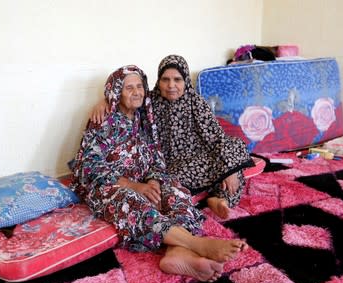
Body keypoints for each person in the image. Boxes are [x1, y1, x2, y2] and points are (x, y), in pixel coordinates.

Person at [69, 65, 247, 282]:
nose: (136, 92)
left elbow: (154, 156)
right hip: (110, 186)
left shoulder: (144, 116)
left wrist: (153, 179)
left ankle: (175, 254)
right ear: (116, 92)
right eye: (128, 88)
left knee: (176, 191)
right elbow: (88, 166)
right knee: (131, 202)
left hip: (142, 179)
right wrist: (133, 186)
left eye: (139, 86)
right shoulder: (103, 120)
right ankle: (197, 244)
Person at [90, 55, 254, 219]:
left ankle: (220, 199)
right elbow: (128, 97)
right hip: (169, 167)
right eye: (165, 79)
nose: (171, 85)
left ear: (186, 81)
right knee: (224, 167)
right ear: (158, 81)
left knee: (235, 156)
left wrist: (230, 168)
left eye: (177, 79)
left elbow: (218, 138)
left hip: (199, 158)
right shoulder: (149, 101)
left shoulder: (196, 102)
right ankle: (214, 194)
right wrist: (105, 101)